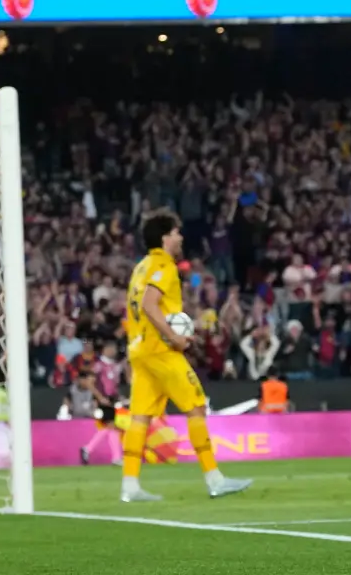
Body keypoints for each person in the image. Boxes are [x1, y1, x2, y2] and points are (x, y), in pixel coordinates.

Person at [120, 210, 253, 502]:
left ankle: (129, 485)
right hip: (160, 350)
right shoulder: (163, 265)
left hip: (139, 349)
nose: (180, 237)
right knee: (195, 407)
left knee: (140, 417)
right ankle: (215, 480)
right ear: (165, 237)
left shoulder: (141, 267)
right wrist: (174, 337)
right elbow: (149, 304)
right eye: (176, 232)